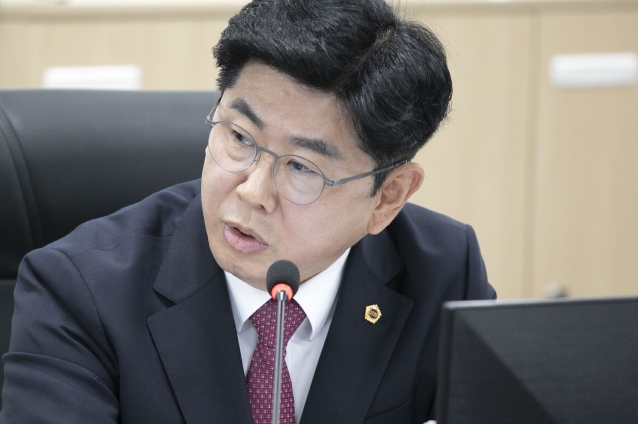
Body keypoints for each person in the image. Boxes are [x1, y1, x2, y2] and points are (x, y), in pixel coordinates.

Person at [0, 0, 495, 423]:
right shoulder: (79, 290)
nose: (253, 191)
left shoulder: (445, 273)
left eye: (301, 167)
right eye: (239, 137)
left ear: (387, 197)